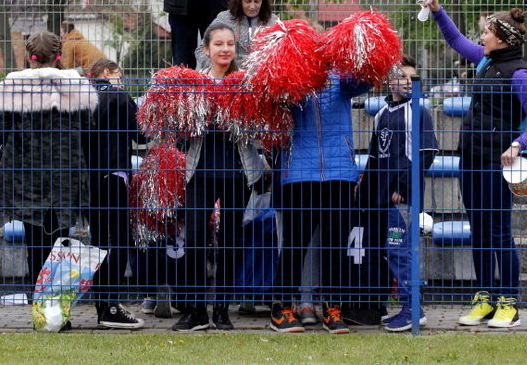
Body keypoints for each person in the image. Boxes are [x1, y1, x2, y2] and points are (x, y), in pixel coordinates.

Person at [425, 0, 527, 329]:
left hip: (499, 165)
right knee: (478, 232)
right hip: (471, 159)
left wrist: (517, 145)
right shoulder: (484, 60)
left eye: (488, 31)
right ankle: (484, 298)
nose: (482, 36)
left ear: (504, 38)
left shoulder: (519, 74)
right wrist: (438, 12)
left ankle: (509, 303)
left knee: (498, 234)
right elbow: (454, 40)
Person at [172, 22, 267, 332]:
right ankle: (196, 311)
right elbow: (180, 129)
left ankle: (222, 311)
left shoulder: (246, 84)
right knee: (196, 241)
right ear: (207, 50)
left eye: (230, 44)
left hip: (238, 172)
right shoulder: (194, 84)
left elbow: (258, 130)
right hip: (199, 172)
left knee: (230, 242)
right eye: (219, 44)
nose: (225, 49)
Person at [0, 31, 98, 302]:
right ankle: (56, 302)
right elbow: (88, 130)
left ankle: (36, 299)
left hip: (27, 178)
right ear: (59, 55)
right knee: (60, 241)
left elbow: (0, 133)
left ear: (30, 57)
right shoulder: (76, 87)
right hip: (65, 176)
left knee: (34, 242)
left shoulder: (13, 87)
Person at [269, 72, 370, 335]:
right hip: (300, 173)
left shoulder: (341, 79)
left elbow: (368, 78)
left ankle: (332, 309)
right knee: (294, 244)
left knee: (336, 245)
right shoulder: (290, 78)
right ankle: (281, 309)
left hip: (339, 173)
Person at [357, 55, 438, 332]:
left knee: (400, 251)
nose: (406, 82)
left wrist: (403, 188)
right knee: (389, 252)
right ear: (389, 79)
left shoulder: (419, 111)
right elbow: (374, 157)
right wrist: (365, 188)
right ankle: (404, 306)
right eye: (401, 76)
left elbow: (425, 155)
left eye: (411, 78)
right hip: (380, 199)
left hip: (402, 199)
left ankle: (413, 309)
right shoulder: (381, 113)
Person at [85, 58, 145, 329]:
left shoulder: (81, 97)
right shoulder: (118, 96)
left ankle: (102, 303)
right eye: (119, 76)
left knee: (98, 240)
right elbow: (141, 135)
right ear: (106, 73)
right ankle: (112, 305)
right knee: (121, 239)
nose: (121, 82)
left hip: (89, 180)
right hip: (115, 174)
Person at [194, 0, 279, 70]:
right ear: (239, 0)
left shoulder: (273, 22)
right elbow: (201, 49)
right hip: (229, 77)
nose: (252, 6)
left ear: (263, 2)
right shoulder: (224, 18)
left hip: (262, 76)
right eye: (248, 1)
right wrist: (218, 69)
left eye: (256, 1)